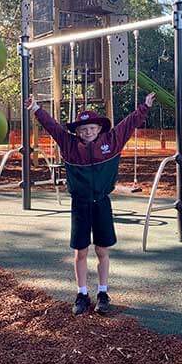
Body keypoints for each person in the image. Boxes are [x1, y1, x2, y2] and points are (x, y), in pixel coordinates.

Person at [27, 92, 155, 315]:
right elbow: (53, 127)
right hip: (80, 204)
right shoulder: (69, 144)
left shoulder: (112, 141)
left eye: (92, 128)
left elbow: (129, 123)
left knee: (102, 249)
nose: (88, 132)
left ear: (99, 129)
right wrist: (37, 109)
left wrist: (144, 107)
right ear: (77, 132)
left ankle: (103, 292)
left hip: (102, 203)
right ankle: (82, 293)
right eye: (83, 129)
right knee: (81, 252)